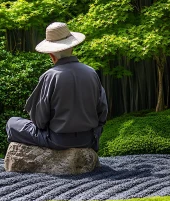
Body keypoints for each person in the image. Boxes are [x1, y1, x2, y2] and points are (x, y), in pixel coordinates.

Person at [6, 22, 108, 152]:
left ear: (52, 56)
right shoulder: (91, 72)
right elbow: (103, 112)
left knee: (12, 123)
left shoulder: (50, 76)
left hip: (58, 141)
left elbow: (40, 121)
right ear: (72, 48)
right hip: (88, 139)